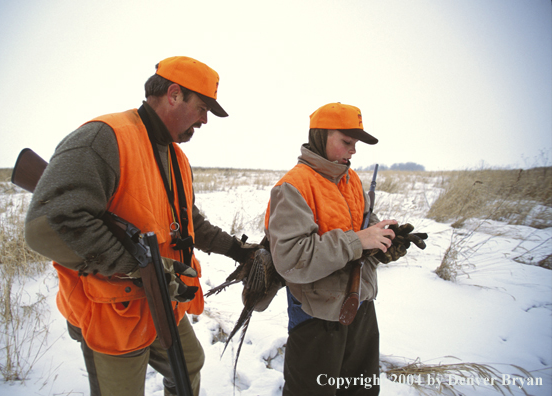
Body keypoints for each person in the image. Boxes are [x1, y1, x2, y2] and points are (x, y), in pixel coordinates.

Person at [25, 56, 259, 396]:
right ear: (174, 94)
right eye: (203, 107)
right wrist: (139, 266)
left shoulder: (176, 157)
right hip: (112, 312)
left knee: (189, 365)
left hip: (162, 303)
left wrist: (237, 250)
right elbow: (50, 223)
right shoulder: (105, 137)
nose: (205, 120)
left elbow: (188, 222)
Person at [264, 103, 397, 395]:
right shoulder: (293, 186)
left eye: (356, 144)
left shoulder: (352, 181)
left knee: (360, 390)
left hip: (361, 305)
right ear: (320, 137)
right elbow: (292, 259)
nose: (353, 151)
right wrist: (358, 241)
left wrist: (386, 241)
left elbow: (364, 226)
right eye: (346, 142)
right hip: (315, 314)